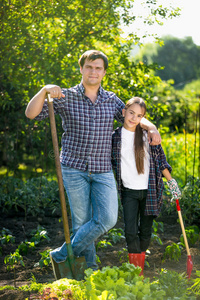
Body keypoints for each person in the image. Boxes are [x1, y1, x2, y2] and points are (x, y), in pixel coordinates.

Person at [25, 50, 161, 274]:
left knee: (107, 219)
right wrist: (44, 90)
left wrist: (152, 126)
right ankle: (89, 268)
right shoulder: (65, 96)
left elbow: (133, 115)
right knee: (81, 222)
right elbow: (31, 114)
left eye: (98, 68)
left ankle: (61, 254)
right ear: (81, 68)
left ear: (104, 72)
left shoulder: (111, 100)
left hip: (102, 169)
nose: (93, 71)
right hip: (73, 168)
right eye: (89, 67)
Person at [111, 97, 181, 275]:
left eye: (139, 115)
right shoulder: (114, 138)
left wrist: (171, 182)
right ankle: (135, 271)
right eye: (131, 113)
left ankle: (139, 268)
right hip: (128, 192)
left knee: (145, 232)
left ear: (143, 118)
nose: (134, 118)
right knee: (130, 231)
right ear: (123, 112)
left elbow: (161, 162)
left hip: (150, 191)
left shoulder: (148, 136)